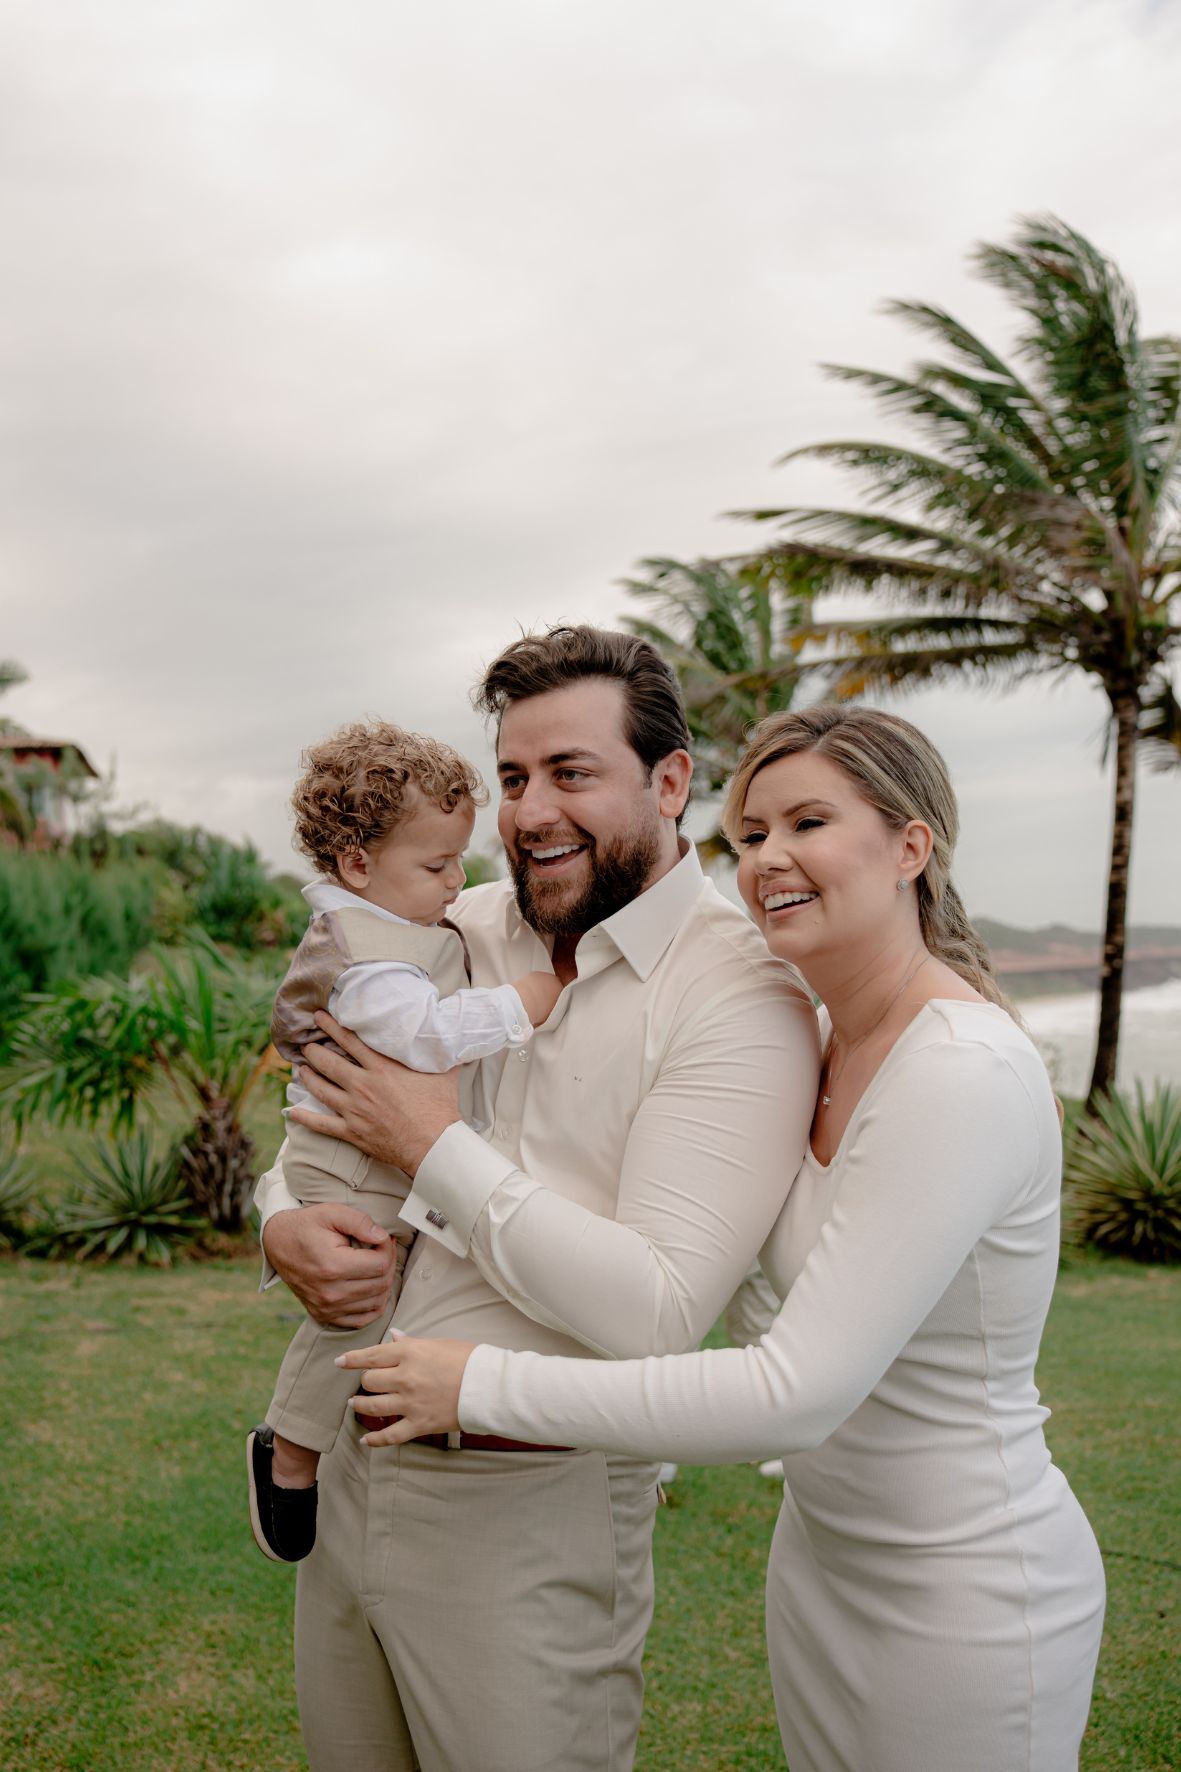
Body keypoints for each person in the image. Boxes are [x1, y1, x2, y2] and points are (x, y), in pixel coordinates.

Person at [332, 705, 1107, 1772]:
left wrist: (477, 1385)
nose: (767, 857)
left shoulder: (958, 1070)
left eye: (807, 821)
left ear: (910, 847)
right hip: (822, 1561)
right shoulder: (823, 1038)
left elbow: (793, 1389)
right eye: (748, 833)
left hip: (962, 1586)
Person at [257, 627, 820, 1772]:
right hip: (355, 1467)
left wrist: (434, 1147)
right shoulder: (452, 923)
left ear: (668, 781)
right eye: (513, 776)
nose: (528, 810)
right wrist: (281, 1220)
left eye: (570, 772)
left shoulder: (739, 991)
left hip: (534, 1497)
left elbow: (658, 1312)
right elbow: (318, 1110)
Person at [246, 718, 561, 1563]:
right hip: (350, 1164)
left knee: (378, 1302)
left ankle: (308, 1448)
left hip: (363, 1155)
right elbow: (422, 1037)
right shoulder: (371, 956)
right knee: (356, 1303)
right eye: (436, 866)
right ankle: (292, 1451)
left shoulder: (396, 924)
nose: (457, 884)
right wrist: (521, 1002)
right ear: (358, 865)